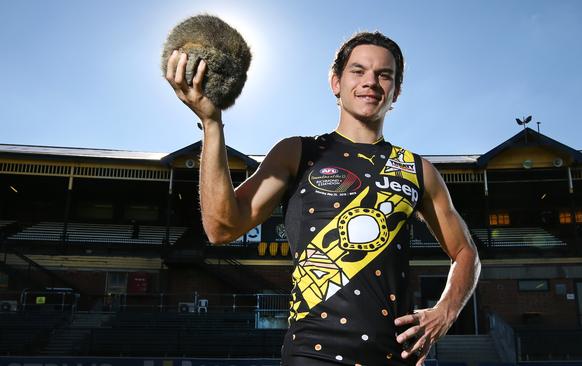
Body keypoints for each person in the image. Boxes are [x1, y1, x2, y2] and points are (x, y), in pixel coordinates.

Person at [166, 31, 481, 366]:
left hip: (395, 356)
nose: (370, 82)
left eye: (383, 75)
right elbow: (221, 228)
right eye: (358, 71)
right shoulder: (297, 152)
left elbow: (466, 253)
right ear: (336, 82)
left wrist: (446, 312)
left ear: (396, 91)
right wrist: (212, 123)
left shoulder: (418, 170)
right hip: (312, 354)